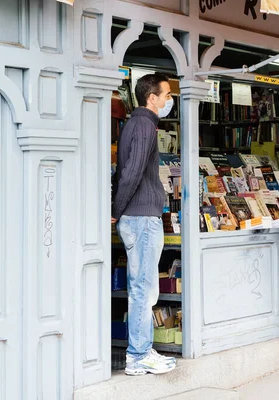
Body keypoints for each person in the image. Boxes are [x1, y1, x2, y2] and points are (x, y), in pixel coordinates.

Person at [111, 74, 176, 376]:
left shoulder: (132, 125)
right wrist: (118, 208)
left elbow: (123, 171)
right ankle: (138, 355)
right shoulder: (145, 126)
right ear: (152, 97)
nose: (168, 101)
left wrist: (118, 207)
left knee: (142, 287)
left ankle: (141, 352)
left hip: (136, 215)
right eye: (165, 95)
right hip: (141, 218)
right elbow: (133, 172)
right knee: (144, 289)